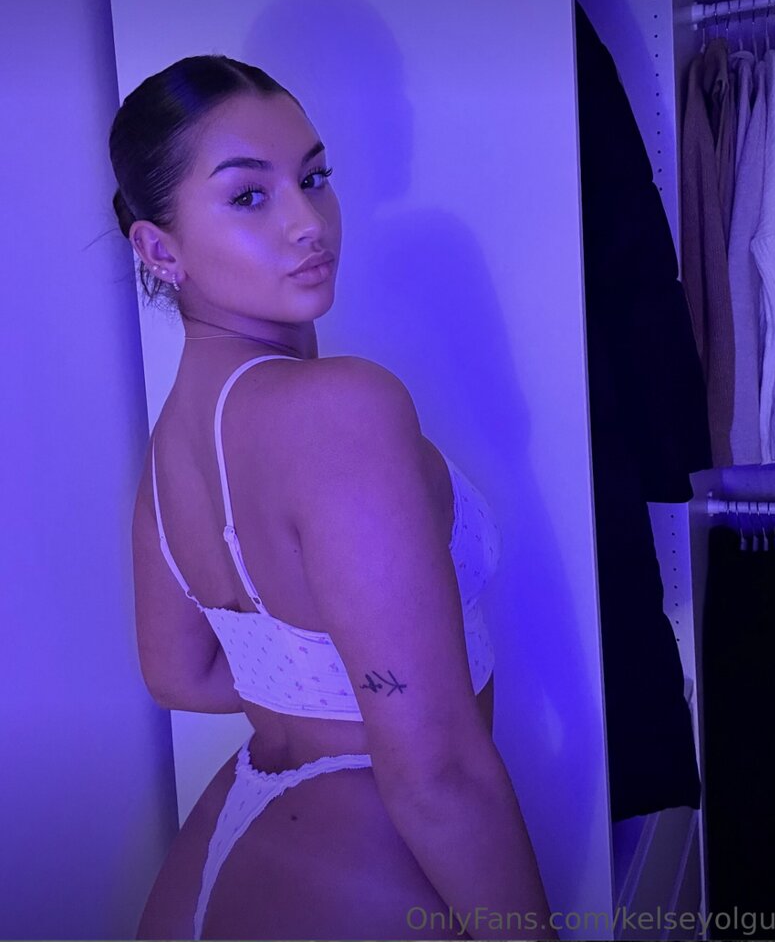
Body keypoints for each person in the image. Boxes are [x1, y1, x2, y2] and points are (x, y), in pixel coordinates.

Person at [111, 55, 556, 941]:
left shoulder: (172, 444)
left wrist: (329, 684)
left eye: (314, 178)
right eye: (249, 195)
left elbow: (178, 674)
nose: (308, 221)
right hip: (363, 861)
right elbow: (438, 775)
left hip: (221, 853)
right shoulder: (340, 407)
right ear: (159, 249)